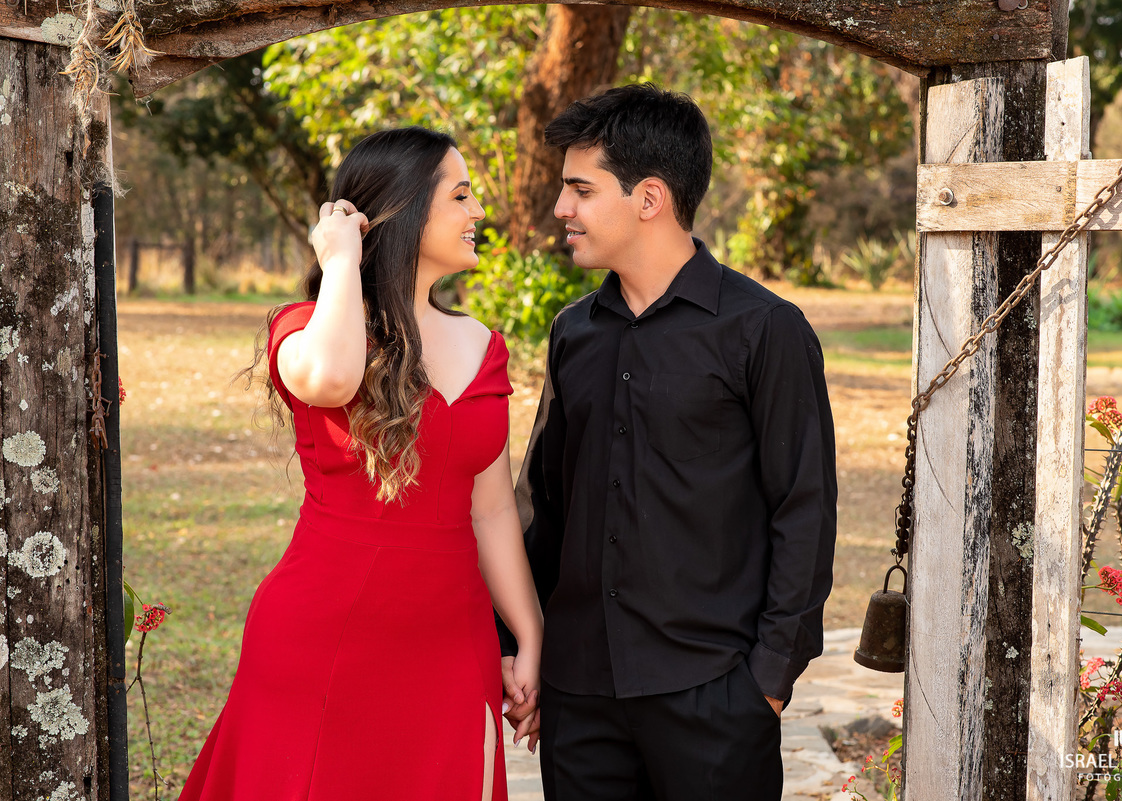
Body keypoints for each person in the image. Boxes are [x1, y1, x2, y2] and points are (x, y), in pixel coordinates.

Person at [179, 127, 543, 801]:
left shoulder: (484, 345)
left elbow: (489, 506)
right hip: (323, 641)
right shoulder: (307, 327)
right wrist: (343, 261)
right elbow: (333, 379)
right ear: (401, 210)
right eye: (461, 195)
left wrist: (528, 630)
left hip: (449, 645)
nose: (478, 213)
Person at [498, 84, 838, 800]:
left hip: (713, 696)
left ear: (648, 197)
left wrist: (765, 686)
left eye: (580, 190)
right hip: (580, 696)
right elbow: (544, 506)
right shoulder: (574, 332)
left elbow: (803, 511)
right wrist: (518, 647)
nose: (562, 208)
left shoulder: (765, 330)